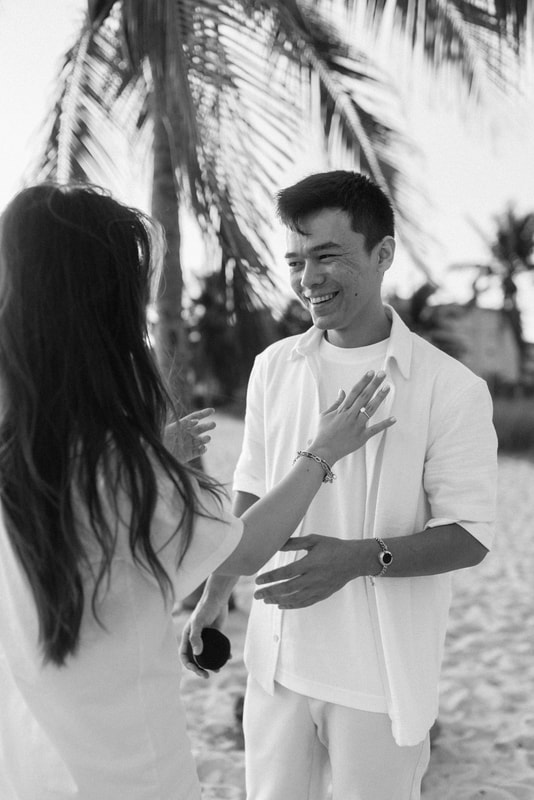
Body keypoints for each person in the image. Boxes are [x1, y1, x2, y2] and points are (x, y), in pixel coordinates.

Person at [0, 183, 395, 800]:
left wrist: (146, 457)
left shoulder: (39, 453)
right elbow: (247, 547)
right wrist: (324, 451)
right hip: (126, 776)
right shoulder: (129, 476)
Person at [181, 171, 498, 800]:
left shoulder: (451, 387)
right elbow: (251, 489)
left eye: (327, 256)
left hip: (379, 684)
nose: (308, 279)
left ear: (383, 255)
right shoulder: (274, 366)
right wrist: (217, 591)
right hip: (275, 668)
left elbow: (469, 536)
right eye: (297, 261)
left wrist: (358, 560)